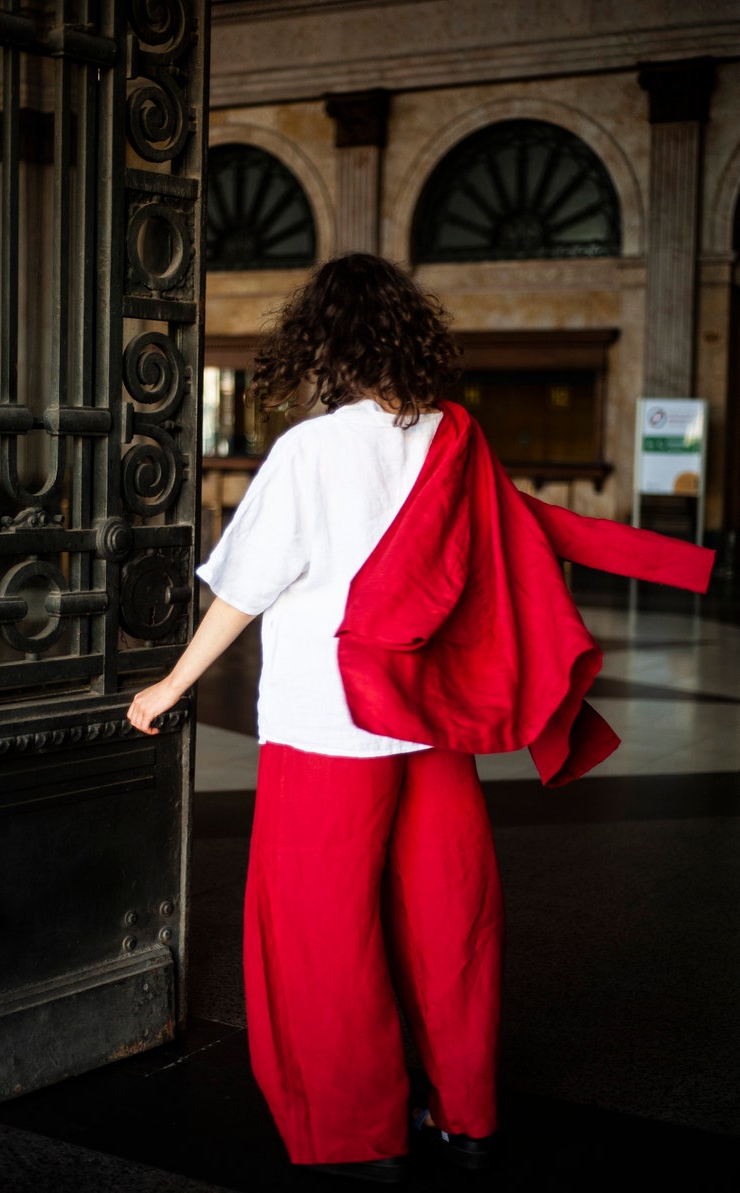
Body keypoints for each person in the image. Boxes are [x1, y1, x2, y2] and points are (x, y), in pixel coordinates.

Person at [126, 253, 714, 1185]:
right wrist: (694, 566)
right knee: (451, 917)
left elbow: (245, 590)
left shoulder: (310, 451)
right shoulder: (457, 437)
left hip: (328, 726)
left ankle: (358, 1132)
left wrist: (171, 684)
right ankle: (466, 1114)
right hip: (428, 723)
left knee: (324, 927)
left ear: (323, 344)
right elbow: (536, 533)